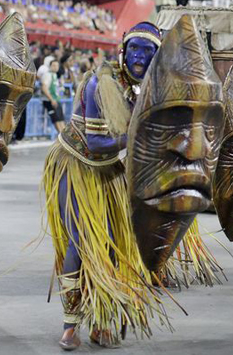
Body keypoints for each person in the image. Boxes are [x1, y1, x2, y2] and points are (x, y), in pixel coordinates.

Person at [41, 22, 166, 350]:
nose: (139, 56)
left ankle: (101, 320)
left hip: (109, 170)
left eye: (147, 51)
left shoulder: (141, 86)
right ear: (123, 52)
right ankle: (70, 326)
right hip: (78, 166)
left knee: (114, 245)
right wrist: (142, 132)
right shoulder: (101, 83)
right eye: (134, 49)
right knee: (81, 242)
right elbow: (97, 144)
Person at [41, 57, 66, 134]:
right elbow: (44, 88)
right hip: (50, 100)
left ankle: (64, 137)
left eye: (57, 66)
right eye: (54, 65)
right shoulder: (47, 75)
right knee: (56, 120)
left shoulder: (55, 75)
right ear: (50, 66)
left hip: (56, 100)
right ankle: (62, 137)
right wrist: (52, 99)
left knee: (61, 119)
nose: (56, 67)